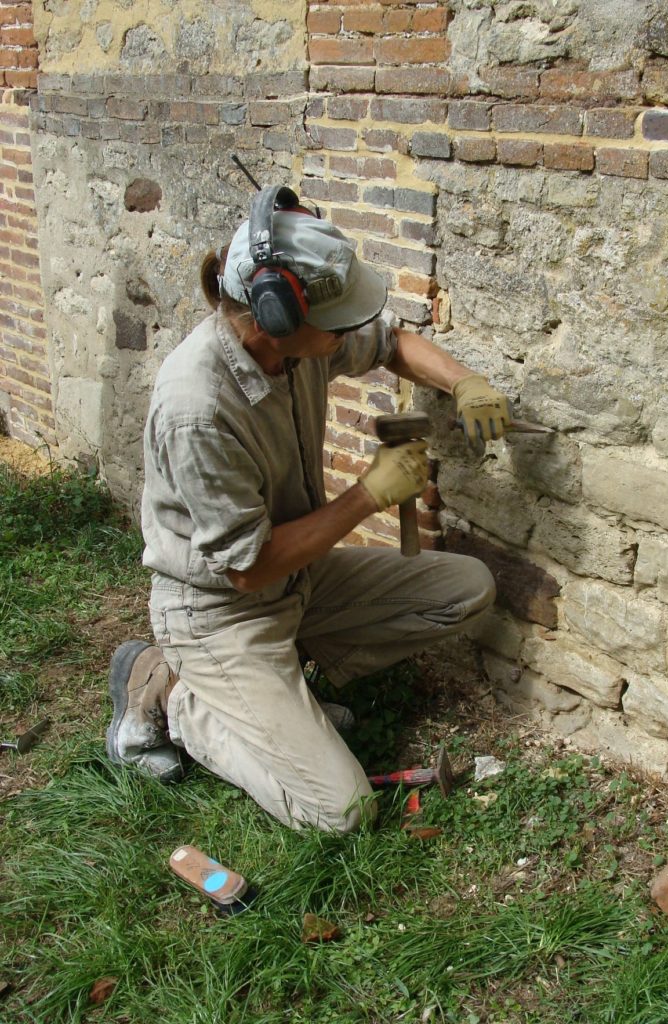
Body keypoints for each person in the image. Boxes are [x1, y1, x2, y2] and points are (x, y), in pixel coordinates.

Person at [106, 185, 511, 832]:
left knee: (465, 588)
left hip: (299, 582)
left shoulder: (298, 348)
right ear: (277, 317)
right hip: (219, 612)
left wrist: (463, 382)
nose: (351, 330)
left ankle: (284, 685)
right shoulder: (198, 408)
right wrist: (368, 496)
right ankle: (173, 693)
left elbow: (390, 343)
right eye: (338, 318)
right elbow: (246, 569)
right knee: (341, 811)